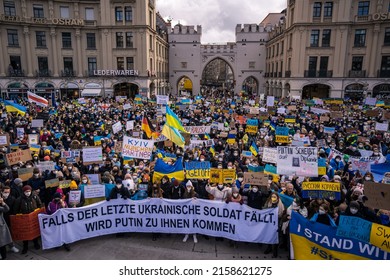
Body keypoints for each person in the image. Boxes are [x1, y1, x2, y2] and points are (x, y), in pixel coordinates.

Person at [13, 185, 43, 254]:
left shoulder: (35, 197)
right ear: (23, 192)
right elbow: (15, 210)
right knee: (25, 233)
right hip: (24, 219)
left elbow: (39, 205)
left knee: (34, 231)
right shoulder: (19, 200)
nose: (28, 193)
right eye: (26, 191)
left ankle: (36, 243)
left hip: (33, 218)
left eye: (29, 191)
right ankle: (25, 246)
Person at [263, 192, 285, 258]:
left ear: (277, 197)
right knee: (269, 234)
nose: (273, 198)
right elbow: (264, 209)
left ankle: (275, 251)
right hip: (269, 221)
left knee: (275, 236)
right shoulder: (268, 202)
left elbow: (281, 213)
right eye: (272, 196)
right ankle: (269, 248)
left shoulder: (280, 204)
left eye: (275, 196)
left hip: (277, 221)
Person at [1, 186, 19, 253]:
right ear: (2, 192)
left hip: (9, 218)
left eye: (8, 192)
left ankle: (11, 246)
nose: (6, 194)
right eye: (5, 192)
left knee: (9, 234)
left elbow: (14, 209)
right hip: (1, 219)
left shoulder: (12, 199)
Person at [0, 194, 14, 260]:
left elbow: (7, 209)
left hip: (1, 226)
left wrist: (2, 202)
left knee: (2, 244)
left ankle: (4, 257)